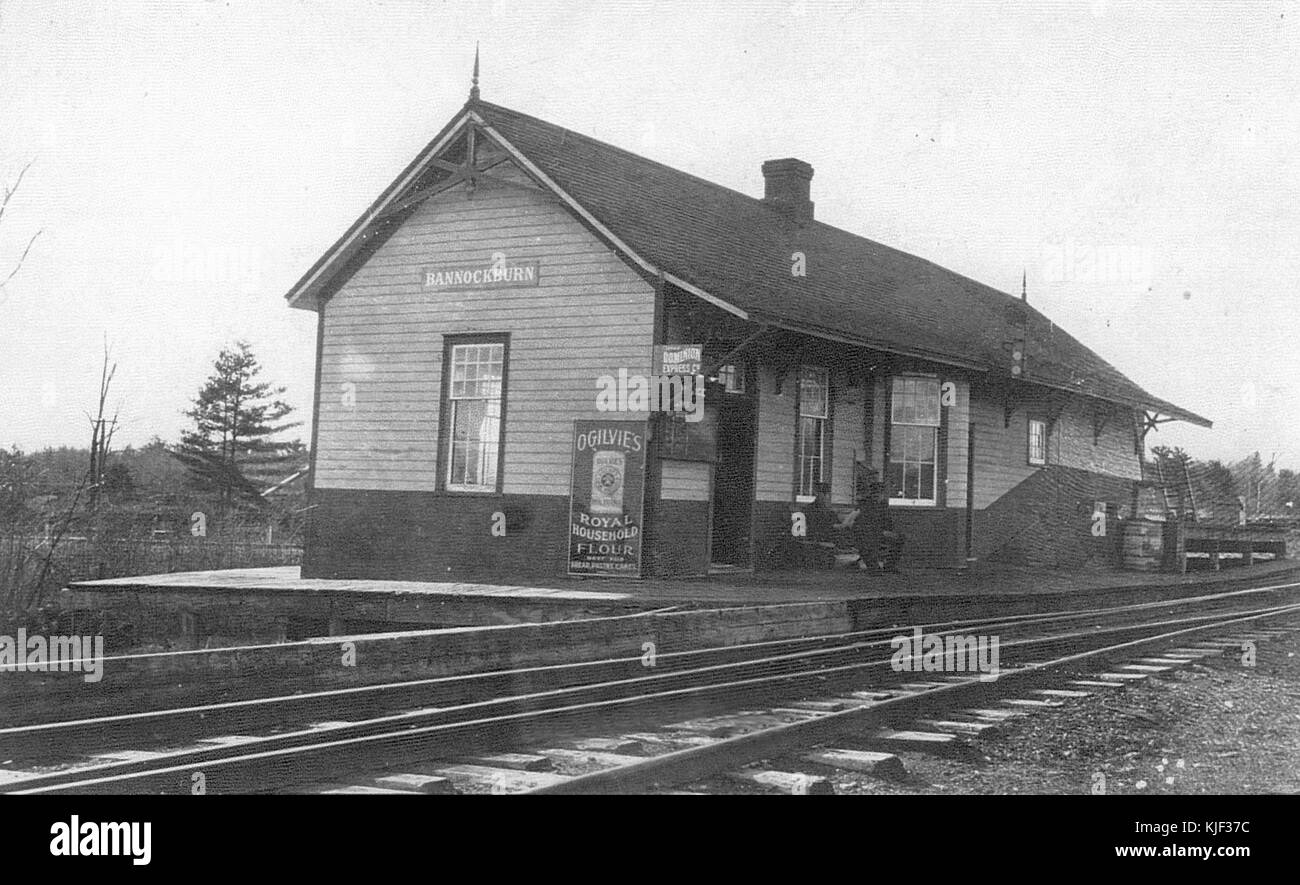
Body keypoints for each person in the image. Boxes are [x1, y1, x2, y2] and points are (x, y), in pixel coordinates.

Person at [846, 479, 904, 573]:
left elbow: (888, 522)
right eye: (875, 494)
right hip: (866, 534)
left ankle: (890, 565)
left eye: (880, 494)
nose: (877, 496)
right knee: (868, 541)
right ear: (871, 494)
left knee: (899, 538)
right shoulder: (865, 506)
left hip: (880, 534)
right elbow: (864, 525)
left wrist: (890, 532)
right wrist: (882, 532)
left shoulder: (883, 506)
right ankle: (873, 566)